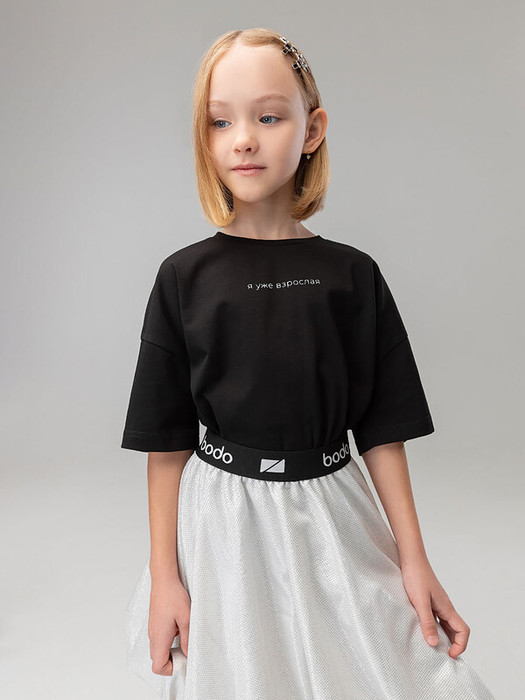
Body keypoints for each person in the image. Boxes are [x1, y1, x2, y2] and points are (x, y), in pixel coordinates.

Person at [120, 27, 495, 700]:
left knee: (388, 668)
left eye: (268, 117)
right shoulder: (182, 277)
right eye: (220, 121)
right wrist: (165, 577)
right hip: (223, 524)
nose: (243, 139)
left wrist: (414, 561)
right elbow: (166, 444)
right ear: (203, 138)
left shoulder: (353, 275)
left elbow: (382, 431)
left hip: (333, 510)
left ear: (312, 129)